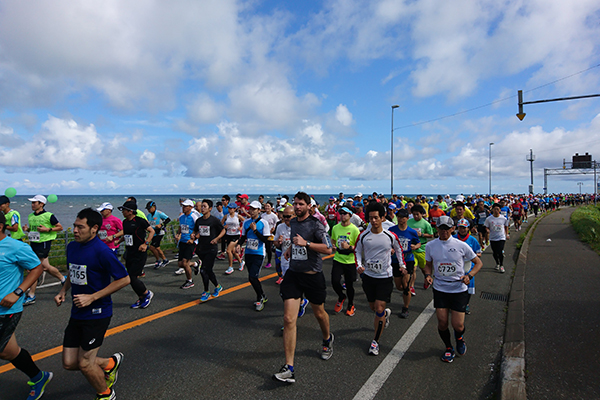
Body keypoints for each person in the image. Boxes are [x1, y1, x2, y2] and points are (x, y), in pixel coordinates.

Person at [54, 208, 131, 400]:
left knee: (85, 364)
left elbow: (124, 279)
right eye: (74, 226)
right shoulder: (72, 247)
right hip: (77, 312)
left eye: (80, 227)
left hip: (98, 312)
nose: (75, 230)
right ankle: (109, 364)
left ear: (94, 228)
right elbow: (73, 272)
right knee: (70, 363)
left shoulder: (102, 251)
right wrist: (63, 291)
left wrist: (93, 297)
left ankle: (106, 394)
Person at [273, 192, 333, 384]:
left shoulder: (317, 225)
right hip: (293, 275)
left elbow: (329, 248)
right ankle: (289, 367)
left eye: (300, 204)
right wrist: (291, 248)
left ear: (309, 206)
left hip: (313, 276)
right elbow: (295, 240)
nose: (297, 207)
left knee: (319, 314)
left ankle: (327, 338)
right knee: (288, 318)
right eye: (295, 204)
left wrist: (306, 243)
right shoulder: (294, 223)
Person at [0, 212, 53, 400]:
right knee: (8, 351)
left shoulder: (15, 247)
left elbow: (37, 268)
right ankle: (39, 377)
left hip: (6, 309)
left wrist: (18, 292)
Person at [424, 215, 482, 363]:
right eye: (441, 228)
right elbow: (428, 264)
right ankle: (449, 347)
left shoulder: (461, 245)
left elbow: (478, 263)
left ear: (452, 229)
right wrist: (428, 275)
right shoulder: (431, 246)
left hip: (458, 289)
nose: (444, 232)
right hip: (440, 288)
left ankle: (460, 338)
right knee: (442, 323)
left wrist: (469, 275)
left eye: (446, 229)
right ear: (436, 228)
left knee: (458, 324)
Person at [355, 202, 405, 356]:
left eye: (376, 218)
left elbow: (399, 250)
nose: (374, 221)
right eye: (370, 218)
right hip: (369, 277)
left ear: (382, 218)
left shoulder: (390, 235)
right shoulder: (363, 236)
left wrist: (402, 265)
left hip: (385, 277)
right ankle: (385, 315)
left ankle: (375, 342)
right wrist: (359, 265)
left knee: (378, 308)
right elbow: (357, 252)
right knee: (373, 307)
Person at [22, 195, 65, 306]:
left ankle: (31, 295)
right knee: (44, 266)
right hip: (34, 243)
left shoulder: (49, 215)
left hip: (44, 243)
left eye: (34, 202)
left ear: (41, 204)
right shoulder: (31, 216)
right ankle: (62, 278)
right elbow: (34, 229)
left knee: (34, 268)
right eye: (32, 203)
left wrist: (48, 229)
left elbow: (60, 227)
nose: (32, 205)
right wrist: (27, 229)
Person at [113, 201, 155, 308]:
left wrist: (145, 244)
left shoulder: (140, 221)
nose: (122, 212)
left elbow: (152, 231)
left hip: (140, 253)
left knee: (132, 277)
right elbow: (127, 234)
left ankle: (146, 294)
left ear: (131, 211)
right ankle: (141, 297)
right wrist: (119, 241)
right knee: (130, 277)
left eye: (124, 210)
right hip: (130, 252)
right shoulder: (125, 222)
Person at [238, 201, 271, 310]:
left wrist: (255, 231)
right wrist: (238, 245)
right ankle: (262, 295)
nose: (251, 211)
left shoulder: (264, 223)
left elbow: (266, 240)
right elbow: (243, 236)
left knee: (253, 277)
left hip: (259, 253)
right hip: (248, 253)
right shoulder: (246, 222)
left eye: (254, 209)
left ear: (259, 210)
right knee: (252, 278)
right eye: (250, 209)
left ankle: (259, 298)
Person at [389, 208, 421, 319]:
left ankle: (405, 307)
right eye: (398, 217)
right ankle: (406, 293)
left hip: (408, 259)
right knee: (399, 286)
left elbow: (418, 243)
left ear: (407, 218)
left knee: (406, 284)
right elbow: (387, 243)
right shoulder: (391, 230)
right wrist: (390, 249)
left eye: (403, 217)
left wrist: (415, 246)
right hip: (395, 260)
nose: (400, 219)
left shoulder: (412, 232)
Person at [193, 200, 225, 302]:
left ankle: (206, 291)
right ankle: (218, 286)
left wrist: (216, 239)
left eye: (204, 206)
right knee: (209, 270)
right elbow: (196, 231)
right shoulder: (199, 220)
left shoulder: (214, 220)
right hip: (202, 248)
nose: (202, 208)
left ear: (210, 208)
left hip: (211, 249)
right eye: (201, 206)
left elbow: (223, 230)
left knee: (203, 270)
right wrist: (193, 235)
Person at [330, 206, 360, 316]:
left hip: (350, 260)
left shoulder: (354, 229)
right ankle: (341, 297)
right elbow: (333, 240)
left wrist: (349, 247)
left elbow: (359, 248)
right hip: (338, 258)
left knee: (349, 284)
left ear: (350, 215)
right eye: (341, 213)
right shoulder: (335, 228)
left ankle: (351, 304)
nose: (343, 215)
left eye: (345, 213)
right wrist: (333, 246)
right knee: (334, 281)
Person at [453, 218, 482, 314]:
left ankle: (466, 304)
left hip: (469, 266)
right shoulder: (453, 238)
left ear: (468, 228)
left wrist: (470, 255)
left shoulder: (472, 240)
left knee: (468, 286)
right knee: (455, 286)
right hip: (455, 266)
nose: (462, 230)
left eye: (464, 228)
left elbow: (479, 253)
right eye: (461, 228)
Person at [407, 204, 434, 291]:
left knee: (424, 269)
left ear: (422, 214)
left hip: (422, 248)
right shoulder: (409, 222)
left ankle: (427, 279)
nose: (415, 216)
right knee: (413, 268)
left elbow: (431, 235)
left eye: (417, 214)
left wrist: (421, 234)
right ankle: (412, 286)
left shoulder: (426, 224)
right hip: (411, 248)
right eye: (414, 214)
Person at [175, 199, 199, 286]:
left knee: (185, 262)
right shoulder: (181, 217)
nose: (183, 208)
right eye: (183, 206)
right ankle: (195, 264)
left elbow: (199, 228)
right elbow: (181, 227)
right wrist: (178, 234)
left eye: (185, 206)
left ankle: (189, 281)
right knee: (180, 264)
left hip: (191, 242)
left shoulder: (194, 217)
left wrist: (193, 239)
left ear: (191, 207)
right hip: (182, 241)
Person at [484, 203, 509, 273]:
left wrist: (507, 234)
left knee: (500, 251)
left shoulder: (503, 218)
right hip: (493, 237)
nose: (496, 210)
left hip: (501, 237)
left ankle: (501, 265)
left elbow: (506, 226)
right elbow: (486, 226)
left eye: (497, 209)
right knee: (495, 252)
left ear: (500, 210)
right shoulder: (489, 219)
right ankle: (497, 263)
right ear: (492, 210)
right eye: (495, 209)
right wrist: (487, 230)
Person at [145, 201, 171, 269]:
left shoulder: (159, 213)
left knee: (152, 247)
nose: (148, 210)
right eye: (147, 208)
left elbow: (168, 219)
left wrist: (161, 225)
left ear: (154, 207)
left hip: (160, 232)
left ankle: (158, 260)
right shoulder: (148, 215)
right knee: (157, 247)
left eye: (149, 208)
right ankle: (165, 259)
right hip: (153, 233)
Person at [221, 204, 245, 275]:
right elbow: (221, 223)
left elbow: (245, 221)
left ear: (235, 209)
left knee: (228, 251)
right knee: (233, 252)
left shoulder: (237, 216)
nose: (230, 210)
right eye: (229, 208)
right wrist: (224, 226)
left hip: (236, 235)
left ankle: (230, 267)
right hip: (229, 235)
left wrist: (241, 228)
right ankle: (241, 262)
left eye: (231, 208)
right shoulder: (226, 216)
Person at [260, 201, 279, 269]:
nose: (267, 207)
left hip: (270, 234)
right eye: (266, 206)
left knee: (268, 249)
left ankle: (269, 262)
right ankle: (262, 259)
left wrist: (274, 228)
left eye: (268, 206)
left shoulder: (274, 215)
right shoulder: (263, 215)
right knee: (263, 248)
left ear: (271, 207)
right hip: (263, 234)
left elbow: (277, 223)